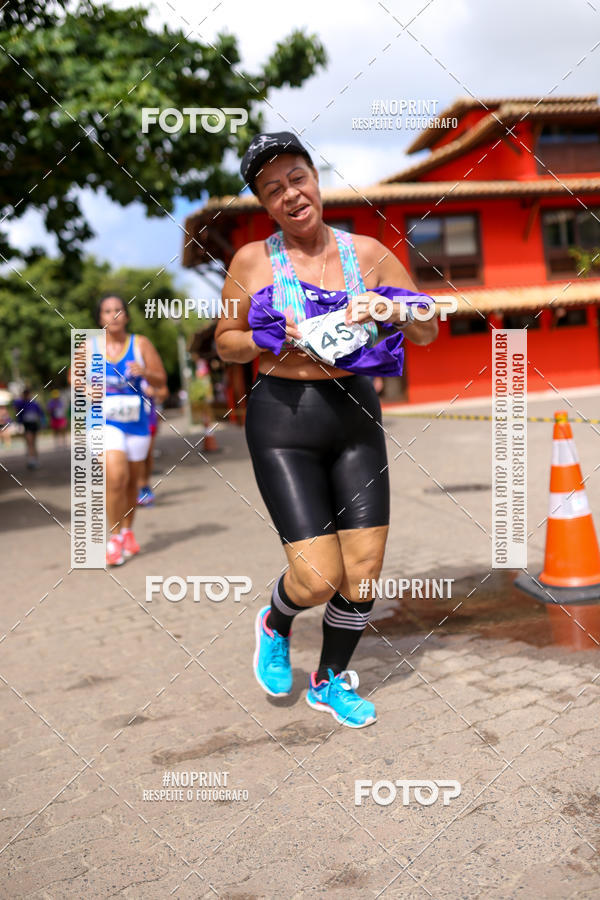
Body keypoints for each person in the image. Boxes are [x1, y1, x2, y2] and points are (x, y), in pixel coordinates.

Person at [215, 132, 438, 728]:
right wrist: (271, 334)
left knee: (363, 572)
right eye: (272, 189)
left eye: (296, 178)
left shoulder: (369, 253)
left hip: (355, 412)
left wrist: (391, 308)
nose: (290, 194)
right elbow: (225, 342)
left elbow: (426, 328)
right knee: (317, 578)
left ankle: (330, 679)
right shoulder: (252, 261)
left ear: (315, 179)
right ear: (264, 205)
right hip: (283, 418)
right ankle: (277, 620)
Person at [95, 295, 167, 566]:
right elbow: (74, 377)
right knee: (115, 476)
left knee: (131, 484)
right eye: (107, 310)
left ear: (125, 315)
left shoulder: (141, 344)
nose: (113, 315)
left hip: (137, 422)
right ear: (100, 317)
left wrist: (145, 371)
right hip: (104, 421)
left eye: (118, 310)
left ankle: (127, 532)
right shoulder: (90, 345)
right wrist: (86, 387)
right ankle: (113, 539)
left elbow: (161, 378)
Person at [137, 382, 168, 506]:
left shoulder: (147, 369)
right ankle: (134, 488)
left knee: (146, 454)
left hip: (147, 417)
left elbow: (164, 391)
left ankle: (144, 486)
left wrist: (154, 392)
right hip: (122, 420)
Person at [14, 388, 45, 468]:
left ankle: (35, 459)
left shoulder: (34, 404)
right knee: (29, 442)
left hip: (34, 424)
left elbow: (41, 414)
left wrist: (43, 423)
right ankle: (31, 460)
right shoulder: (21, 404)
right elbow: (18, 413)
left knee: (33, 443)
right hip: (27, 425)